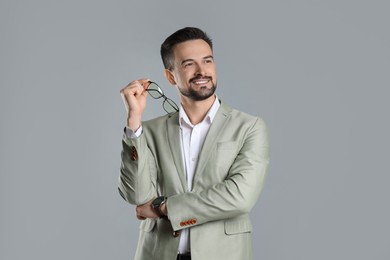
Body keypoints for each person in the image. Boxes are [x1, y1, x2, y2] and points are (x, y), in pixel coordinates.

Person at [118, 27, 269, 260]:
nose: (202, 71)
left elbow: (239, 197)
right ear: (170, 76)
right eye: (189, 64)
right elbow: (138, 196)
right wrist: (134, 122)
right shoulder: (149, 131)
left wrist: (164, 207)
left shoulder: (249, 127)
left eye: (207, 61)